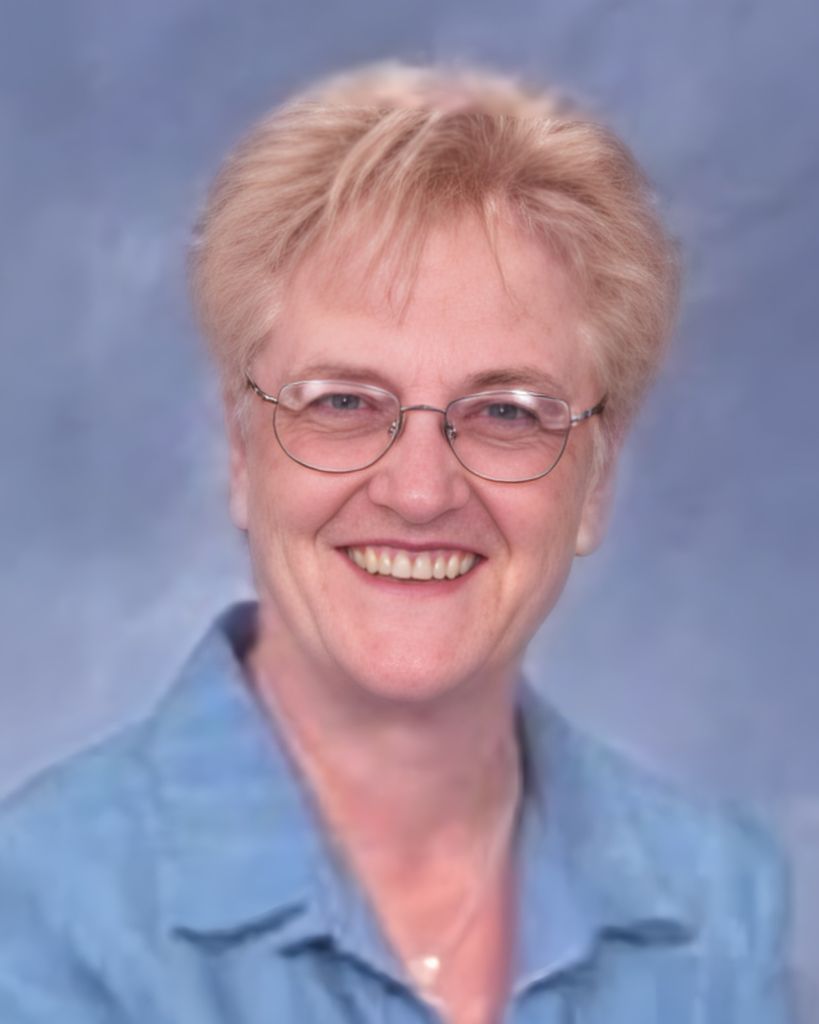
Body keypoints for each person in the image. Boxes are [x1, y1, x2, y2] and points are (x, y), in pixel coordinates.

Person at [0, 62, 792, 1023]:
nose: (419, 492)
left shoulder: (718, 904)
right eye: (343, 403)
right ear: (242, 451)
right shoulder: (39, 909)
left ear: (594, 481)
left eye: (506, 412)